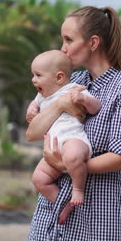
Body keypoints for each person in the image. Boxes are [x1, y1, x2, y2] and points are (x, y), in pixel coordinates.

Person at [26, 6, 121, 241]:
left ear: (93, 42)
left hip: (97, 215)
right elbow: (33, 133)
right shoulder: (71, 83)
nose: (63, 48)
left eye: (69, 39)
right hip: (51, 214)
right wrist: (60, 105)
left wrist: (65, 165)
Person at [27, 50, 101, 207]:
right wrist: (31, 109)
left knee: (72, 156)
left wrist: (84, 100)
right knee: (39, 179)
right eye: (33, 75)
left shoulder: (74, 89)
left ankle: (78, 189)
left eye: (38, 75)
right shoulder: (42, 96)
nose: (33, 80)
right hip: (53, 147)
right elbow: (35, 105)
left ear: (59, 77)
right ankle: (63, 205)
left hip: (73, 139)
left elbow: (96, 107)